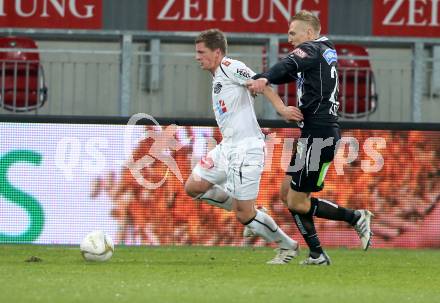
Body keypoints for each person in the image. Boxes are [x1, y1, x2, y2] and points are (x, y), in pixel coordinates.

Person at [247, 10, 374, 265]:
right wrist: (266, 78)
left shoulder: (312, 50)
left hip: (320, 136)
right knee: (287, 193)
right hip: (311, 134)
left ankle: (355, 218)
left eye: (293, 33)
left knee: (297, 200)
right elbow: (286, 71)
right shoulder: (321, 52)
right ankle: (316, 254)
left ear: (309, 32)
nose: (290, 38)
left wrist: (264, 78)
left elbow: (286, 65)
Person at [184, 28, 304, 264]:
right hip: (227, 147)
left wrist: (281, 109)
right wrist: (251, 89)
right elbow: (250, 87)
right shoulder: (219, 74)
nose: (197, 57)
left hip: (246, 148)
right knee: (194, 186)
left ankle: (287, 247)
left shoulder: (229, 66)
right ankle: (256, 212)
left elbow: (262, 83)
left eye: (201, 52)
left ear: (217, 52)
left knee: (244, 215)